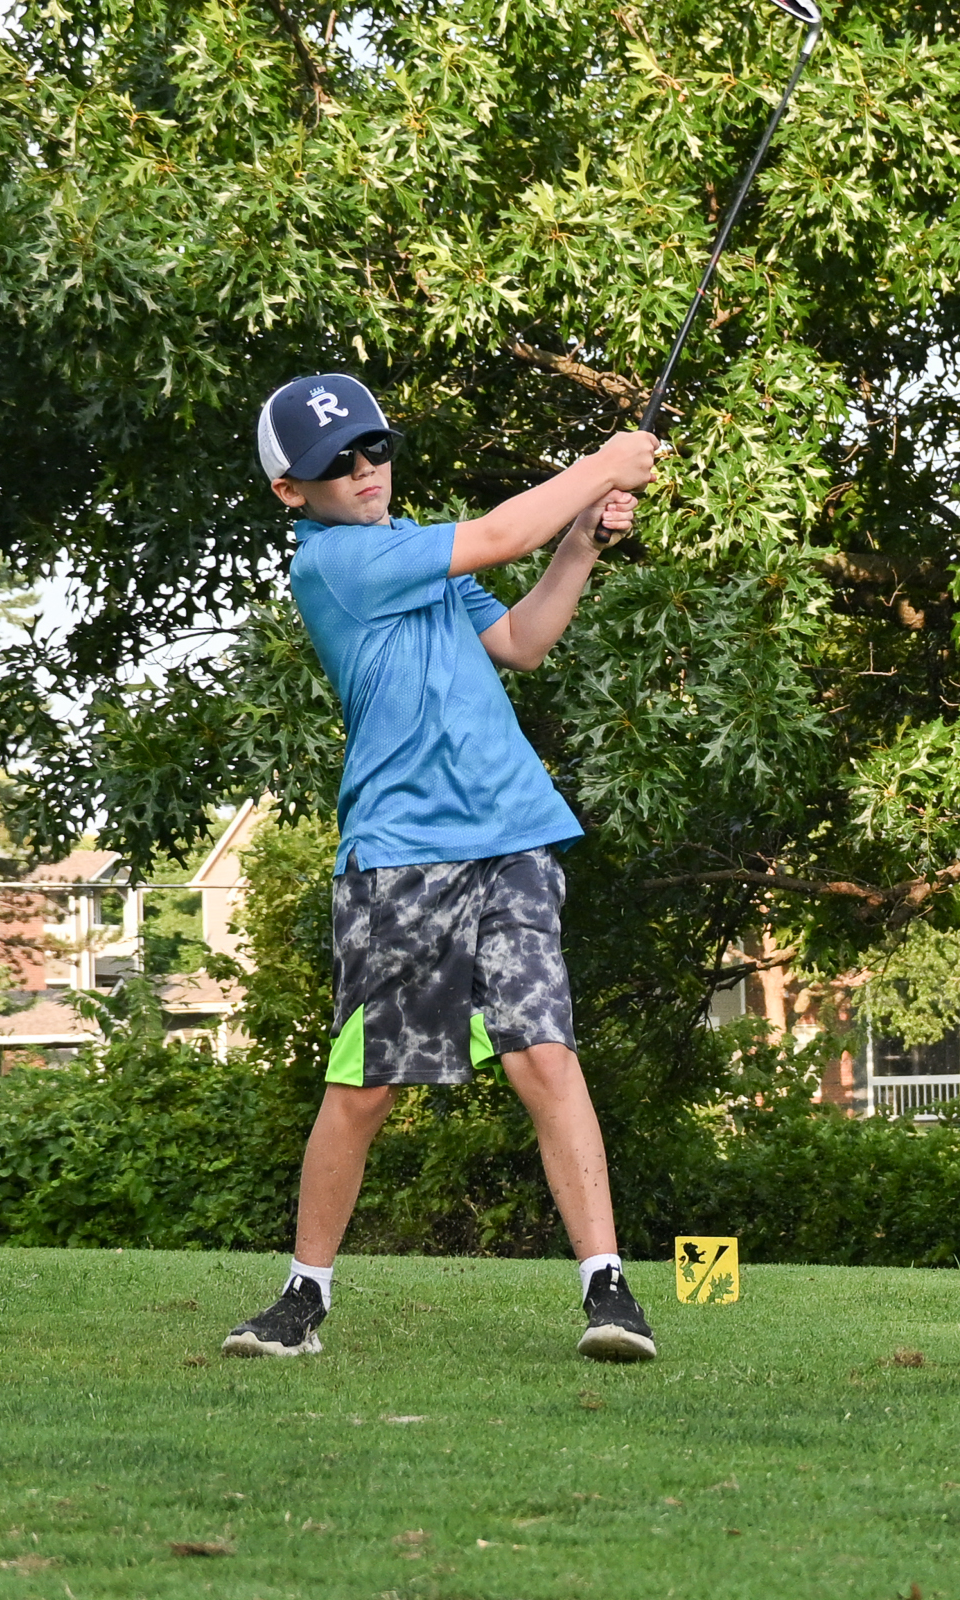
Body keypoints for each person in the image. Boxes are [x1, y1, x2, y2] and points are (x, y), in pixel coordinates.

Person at [221, 373, 660, 1363]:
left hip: (512, 833)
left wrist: (582, 541)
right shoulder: (335, 563)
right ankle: (302, 1298)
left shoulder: (419, 551)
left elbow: (522, 641)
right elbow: (500, 532)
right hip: (403, 855)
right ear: (292, 491)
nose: (363, 469)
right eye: (336, 462)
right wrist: (601, 466)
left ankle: (607, 1290)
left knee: (544, 1055)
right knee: (368, 1086)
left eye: (373, 447)